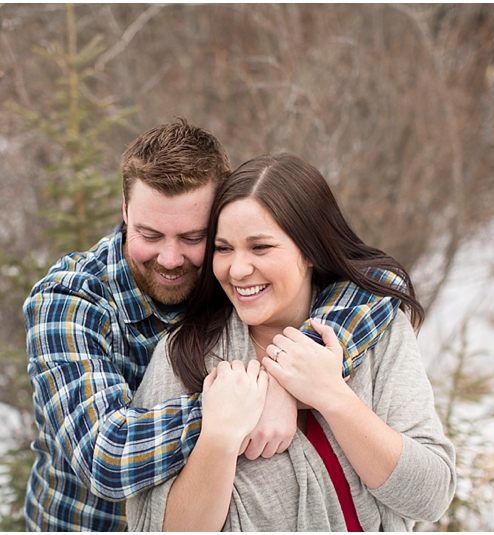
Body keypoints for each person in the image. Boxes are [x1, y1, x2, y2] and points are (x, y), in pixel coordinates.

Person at [24, 121, 403, 531]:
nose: (170, 258)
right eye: (149, 234)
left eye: (193, 237)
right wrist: (251, 398)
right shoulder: (70, 300)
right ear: (125, 210)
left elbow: (379, 284)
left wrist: (291, 377)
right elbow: (105, 455)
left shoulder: (234, 275)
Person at [126, 152, 456, 531]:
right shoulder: (186, 355)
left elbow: (431, 497)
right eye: (223, 248)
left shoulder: (378, 336)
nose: (237, 269)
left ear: (311, 250)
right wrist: (218, 437)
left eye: (260, 247)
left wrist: (333, 397)